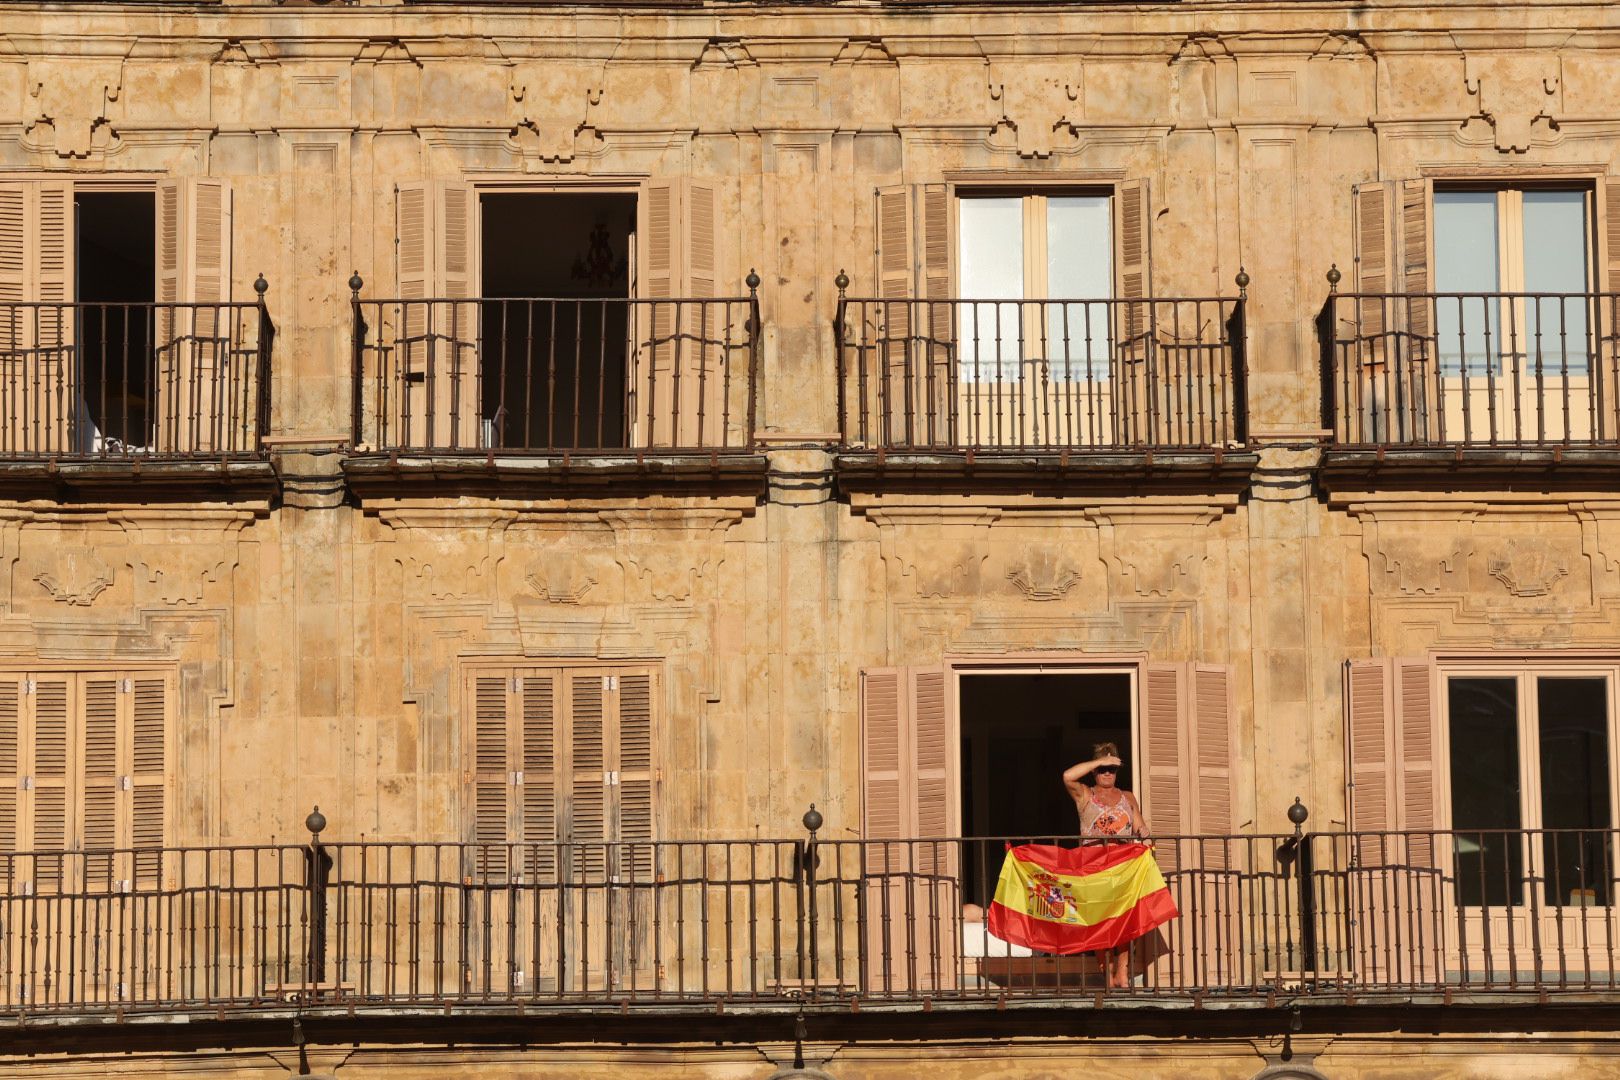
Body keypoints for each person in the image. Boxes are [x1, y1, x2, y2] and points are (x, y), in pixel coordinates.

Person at [1062, 742, 1151, 988]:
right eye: (1103, 769)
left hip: (1123, 866)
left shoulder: (1128, 797)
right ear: (1094, 771)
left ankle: (1122, 973)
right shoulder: (1084, 794)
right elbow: (1067, 776)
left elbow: (1140, 827)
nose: (1107, 773)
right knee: (1099, 921)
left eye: (1112, 769)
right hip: (1094, 866)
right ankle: (1106, 973)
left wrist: (1147, 840)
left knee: (1124, 921)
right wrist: (1100, 761)